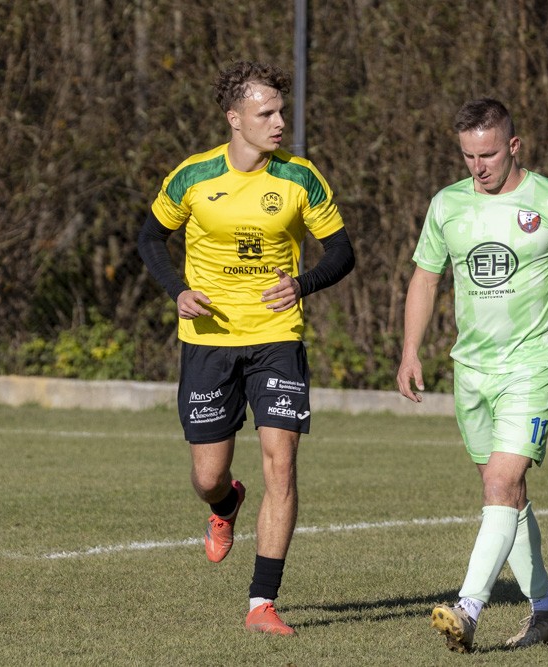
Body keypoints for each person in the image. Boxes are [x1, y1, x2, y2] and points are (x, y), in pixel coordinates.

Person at [396, 98, 548, 653]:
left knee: (501, 483)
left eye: (490, 154)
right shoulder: (447, 205)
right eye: (469, 156)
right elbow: (425, 278)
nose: (479, 167)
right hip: (471, 370)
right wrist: (410, 352)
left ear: (514, 146)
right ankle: (545, 611)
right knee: (506, 495)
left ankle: (468, 609)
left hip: (532, 366)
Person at [137, 60, 354, 636]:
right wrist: (177, 290)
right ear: (235, 118)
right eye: (266, 113)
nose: (279, 122)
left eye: (281, 111)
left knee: (281, 464)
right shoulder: (193, 176)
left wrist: (303, 284)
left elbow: (341, 252)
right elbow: (150, 237)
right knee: (209, 476)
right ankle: (224, 504)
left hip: (276, 338)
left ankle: (262, 603)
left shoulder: (300, 178)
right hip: (208, 341)